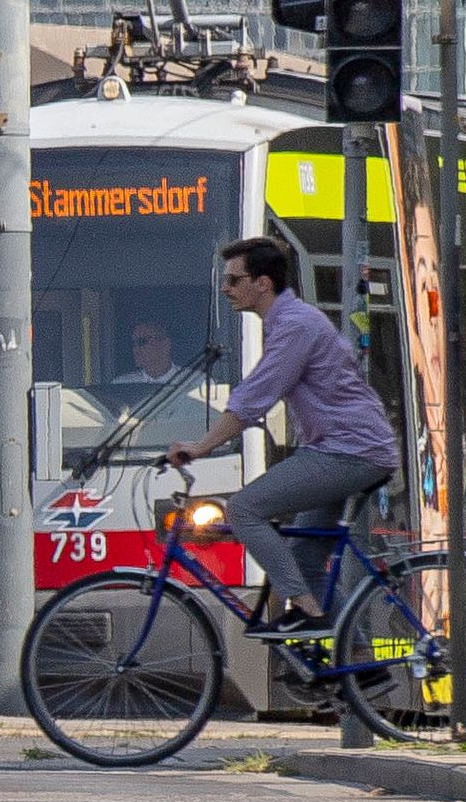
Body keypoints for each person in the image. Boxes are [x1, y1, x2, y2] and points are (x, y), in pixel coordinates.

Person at [163, 235, 399, 632]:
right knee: (305, 561)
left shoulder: (295, 326)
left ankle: (305, 611)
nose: (226, 288)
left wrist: (200, 446)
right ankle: (360, 667)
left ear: (263, 283)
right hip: (347, 449)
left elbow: (254, 395)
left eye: (234, 280)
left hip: (348, 452)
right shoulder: (290, 323)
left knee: (243, 509)